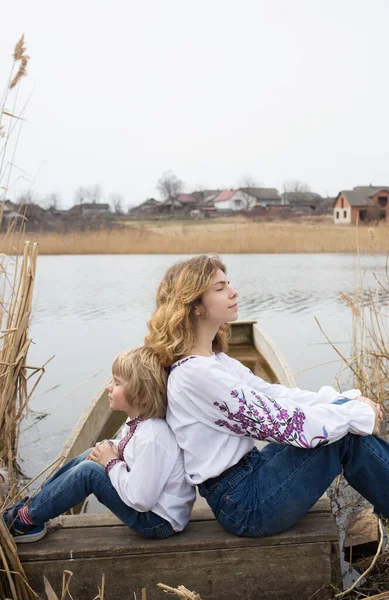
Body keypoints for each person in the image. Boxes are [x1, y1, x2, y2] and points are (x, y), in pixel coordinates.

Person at [145, 254, 388, 538]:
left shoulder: (215, 362)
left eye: (228, 284)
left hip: (252, 475)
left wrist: (345, 402)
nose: (233, 292)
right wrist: (355, 415)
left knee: (342, 427)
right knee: (343, 436)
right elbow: (283, 424)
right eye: (220, 288)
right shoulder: (194, 376)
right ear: (194, 305)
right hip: (245, 505)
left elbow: (275, 395)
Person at [3, 346, 195, 543]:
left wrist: (111, 462)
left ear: (140, 395)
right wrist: (109, 448)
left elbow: (141, 499)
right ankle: (33, 508)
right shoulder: (141, 424)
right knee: (92, 453)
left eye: (117, 383)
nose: (109, 387)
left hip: (157, 521)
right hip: (152, 510)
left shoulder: (153, 435)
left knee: (88, 472)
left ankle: (24, 521)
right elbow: (131, 449)